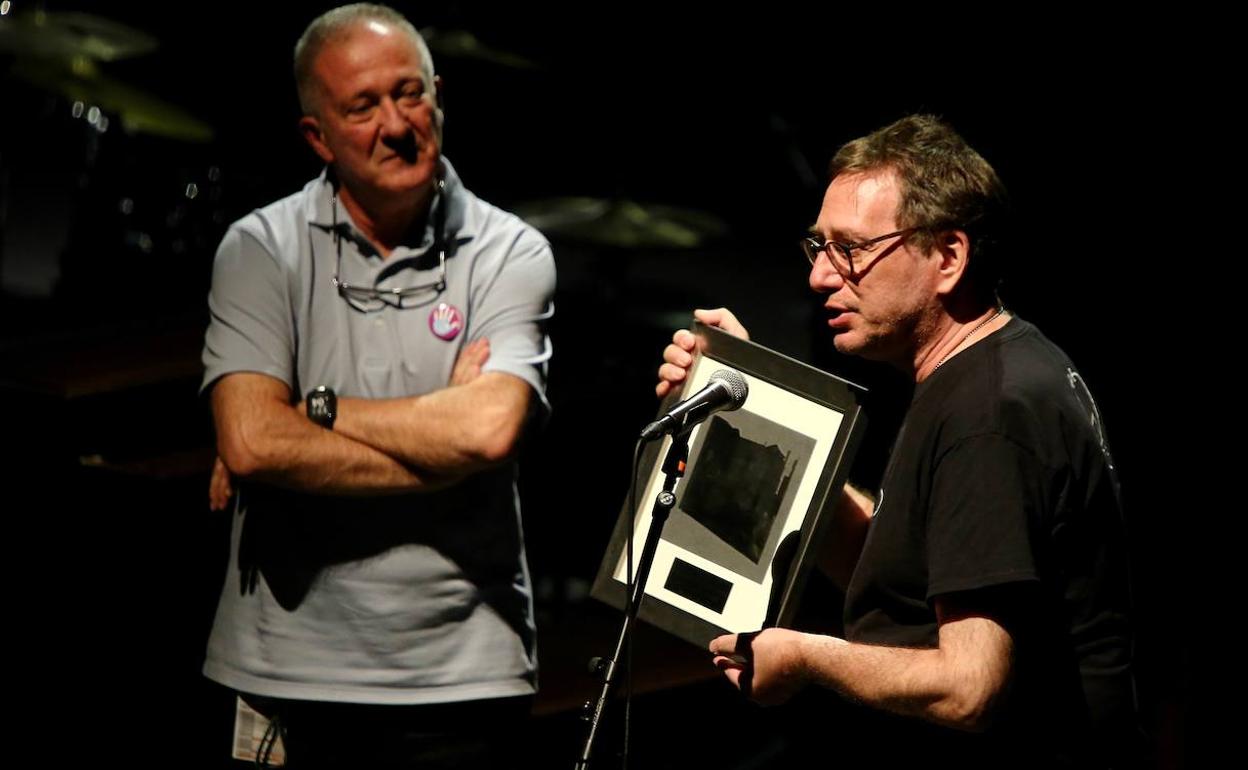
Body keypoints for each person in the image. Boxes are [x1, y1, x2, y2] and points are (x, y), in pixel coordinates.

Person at [657, 115, 1140, 767]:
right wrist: (753, 398)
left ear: (947, 257)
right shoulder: (984, 373)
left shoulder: (988, 412)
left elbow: (970, 687)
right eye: (817, 247)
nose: (820, 277)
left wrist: (805, 657)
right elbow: (896, 573)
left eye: (849, 249)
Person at [200, 4, 554, 766]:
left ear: (439, 96)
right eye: (364, 107)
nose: (397, 123)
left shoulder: (507, 249)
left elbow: (489, 430)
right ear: (316, 137)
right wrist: (444, 448)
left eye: (410, 93)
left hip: (463, 675)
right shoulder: (259, 250)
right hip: (285, 671)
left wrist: (313, 410)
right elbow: (254, 443)